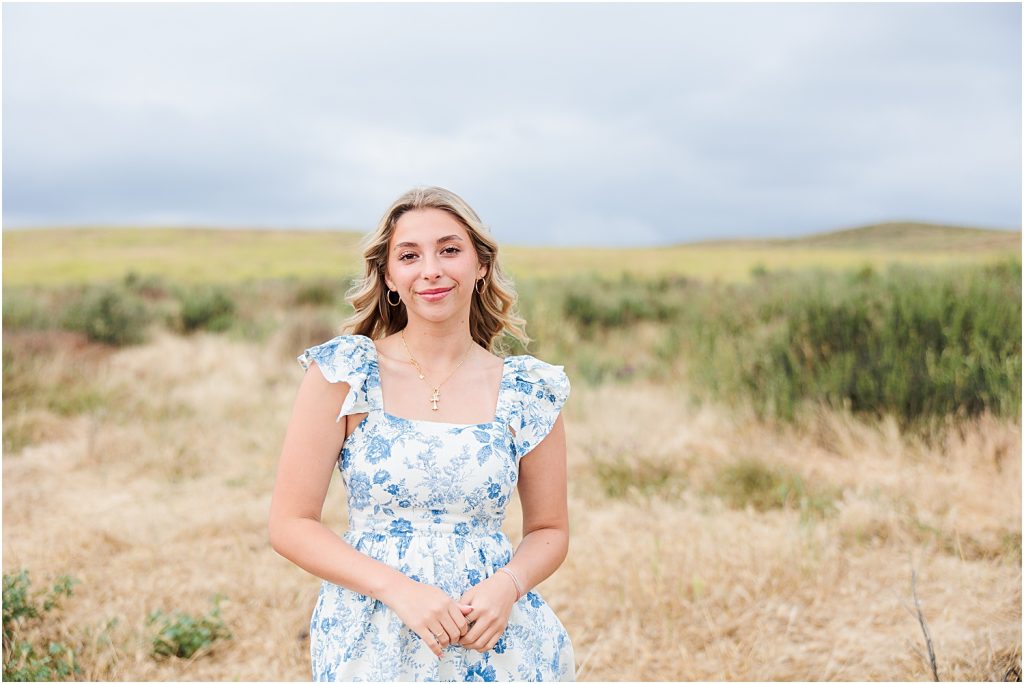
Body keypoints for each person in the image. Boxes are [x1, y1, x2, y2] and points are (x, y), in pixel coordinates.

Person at [268, 186, 576, 681]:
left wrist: (508, 587)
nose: (431, 269)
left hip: (492, 637)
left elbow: (549, 530)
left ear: (480, 265)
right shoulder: (346, 373)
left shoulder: (528, 390)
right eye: (409, 256)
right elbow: (290, 523)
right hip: (372, 635)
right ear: (389, 276)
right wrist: (398, 590)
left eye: (449, 250)